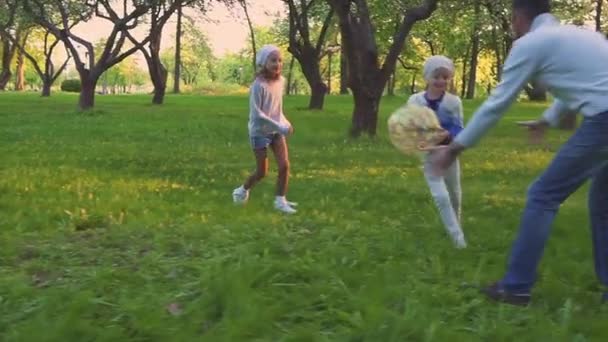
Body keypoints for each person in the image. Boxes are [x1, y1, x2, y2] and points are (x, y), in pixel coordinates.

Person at [424, 0, 608, 306]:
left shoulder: (531, 44)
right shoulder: (580, 37)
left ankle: (516, 287)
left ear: (518, 16)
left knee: (543, 195)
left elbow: (497, 103)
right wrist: (546, 119)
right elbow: (587, 87)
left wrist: (455, 148)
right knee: (603, 202)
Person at [407, 55, 466, 248]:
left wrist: (449, 137)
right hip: (429, 155)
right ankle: (458, 240)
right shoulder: (415, 101)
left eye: (445, 77)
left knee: (455, 195)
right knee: (441, 196)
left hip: (449, 154)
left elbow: (459, 127)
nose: (441, 81)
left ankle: (456, 224)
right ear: (427, 77)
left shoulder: (454, 102)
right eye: (437, 76)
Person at [232, 45, 297, 214]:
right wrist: (279, 126)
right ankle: (241, 190)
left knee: (284, 166)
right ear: (263, 63)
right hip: (259, 132)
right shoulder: (258, 86)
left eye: (280, 60)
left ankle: (280, 201)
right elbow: (257, 114)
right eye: (273, 60)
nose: (278, 64)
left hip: (275, 132)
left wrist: (285, 123)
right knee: (262, 172)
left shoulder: (281, 82)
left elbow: (277, 110)